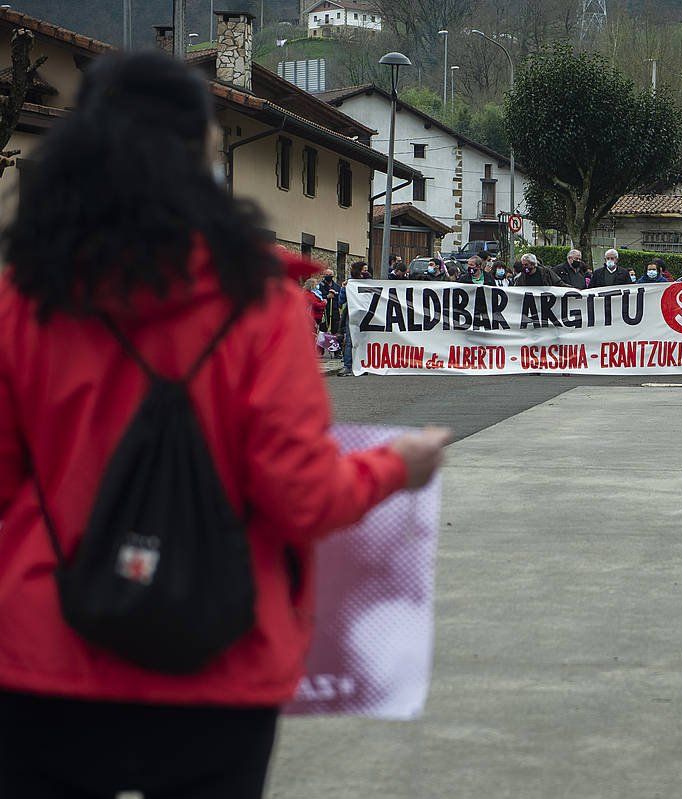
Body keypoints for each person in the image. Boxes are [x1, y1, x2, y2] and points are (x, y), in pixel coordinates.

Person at [0, 51, 451, 799]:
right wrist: (399, 464)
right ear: (204, 152)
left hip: (42, 654)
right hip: (214, 654)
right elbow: (301, 494)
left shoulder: (23, 299)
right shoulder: (260, 304)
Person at [337, 261, 370, 376]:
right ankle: (348, 366)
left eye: (366, 270)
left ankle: (362, 365)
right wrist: (343, 289)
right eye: (364, 270)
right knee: (351, 341)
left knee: (363, 341)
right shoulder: (350, 284)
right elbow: (341, 301)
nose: (366, 272)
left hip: (366, 316)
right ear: (358, 271)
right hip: (352, 316)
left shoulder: (370, 283)